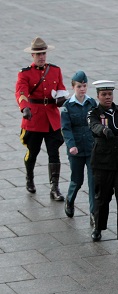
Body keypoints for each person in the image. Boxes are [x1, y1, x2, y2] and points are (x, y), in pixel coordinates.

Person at [15, 37, 68, 201]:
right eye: (38, 54)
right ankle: (29, 177)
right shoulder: (25, 73)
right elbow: (21, 92)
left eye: (43, 53)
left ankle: (55, 188)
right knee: (32, 152)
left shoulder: (55, 70)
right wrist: (24, 108)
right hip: (34, 117)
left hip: (52, 117)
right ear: (32, 55)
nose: (41, 57)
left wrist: (61, 98)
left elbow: (61, 88)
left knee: (54, 153)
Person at [87, 80, 118, 250]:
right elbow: (94, 126)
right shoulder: (93, 112)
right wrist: (103, 130)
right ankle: (98, 227)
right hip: (102, 162)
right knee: (102, 198)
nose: (107, 97)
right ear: (98, 96)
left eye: (110, 94)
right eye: (104, 95)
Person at [62, 71, 97, 225]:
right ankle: (70, 199)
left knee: (93, 181)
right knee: (77, 180)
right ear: (73, 87)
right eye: (79, 86)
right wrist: (71, 145)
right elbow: (66, 128)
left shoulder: (92, 103)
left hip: (90, 147)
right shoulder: (67, 106)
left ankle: (93, 213)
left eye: (84, 86)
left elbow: (96, 124)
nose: (82, 89)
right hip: (76, 148)